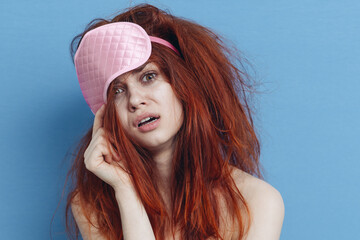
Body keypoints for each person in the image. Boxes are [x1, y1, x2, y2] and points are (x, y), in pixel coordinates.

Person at [66, 4, 284, 240]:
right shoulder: (93, 205)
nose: (135, 100)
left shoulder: (257, 201)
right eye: (118, 90)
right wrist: (126, 191)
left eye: (149, 77)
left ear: (184, 86)